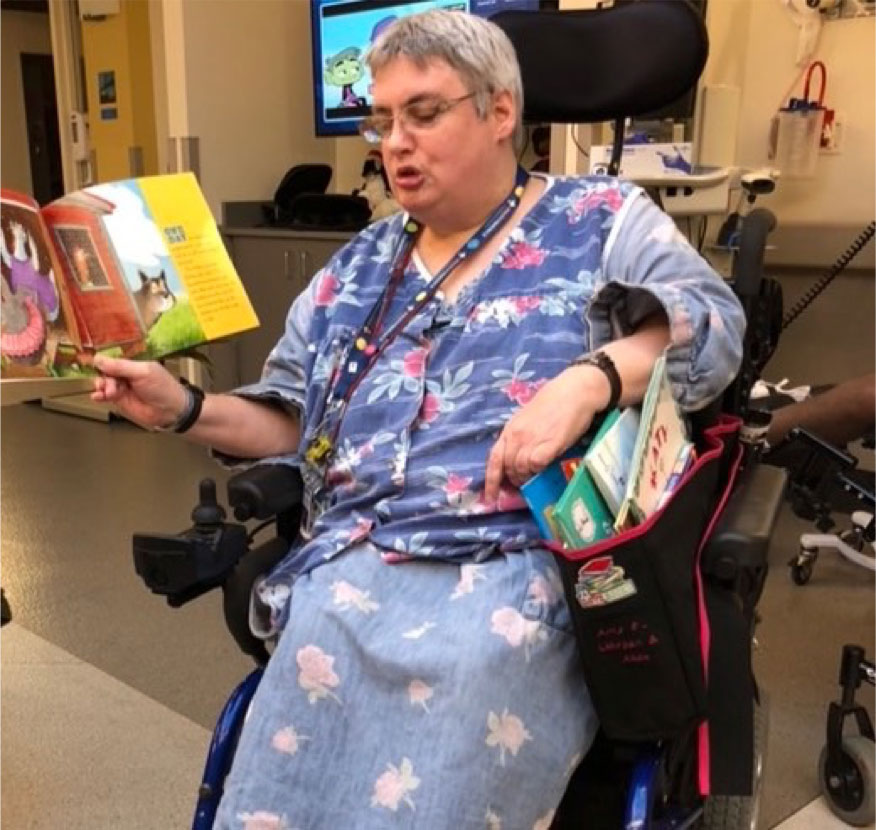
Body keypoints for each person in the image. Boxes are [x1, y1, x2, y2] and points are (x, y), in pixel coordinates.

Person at [92, 10, 745, 828]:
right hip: (354, 562)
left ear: (500, 111)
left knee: (475, 663)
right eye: (382, 119)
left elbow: (711, 323)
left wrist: (587, 381)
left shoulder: (602, 219)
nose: (394, 141)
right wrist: (182, 406)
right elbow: (295, 420)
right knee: (300, 698)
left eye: (424, 113)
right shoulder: (361, 264)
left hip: (514, 566)